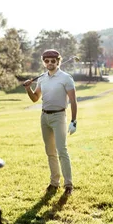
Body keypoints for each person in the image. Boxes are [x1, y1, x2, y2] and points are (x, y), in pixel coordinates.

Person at [23, 49, 77, 195]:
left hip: (59, 116)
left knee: (62, 150)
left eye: (53, 60)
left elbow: (73, 100)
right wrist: (28, 89)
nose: (50, 63)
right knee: (50, 152)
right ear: (44, 62)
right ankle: (54, 183)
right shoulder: (42, 79)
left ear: (58, 61)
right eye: (46, 61)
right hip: (44, 117)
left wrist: (74, 121)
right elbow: (35, 98)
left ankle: (68, 185)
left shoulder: (66, 78)